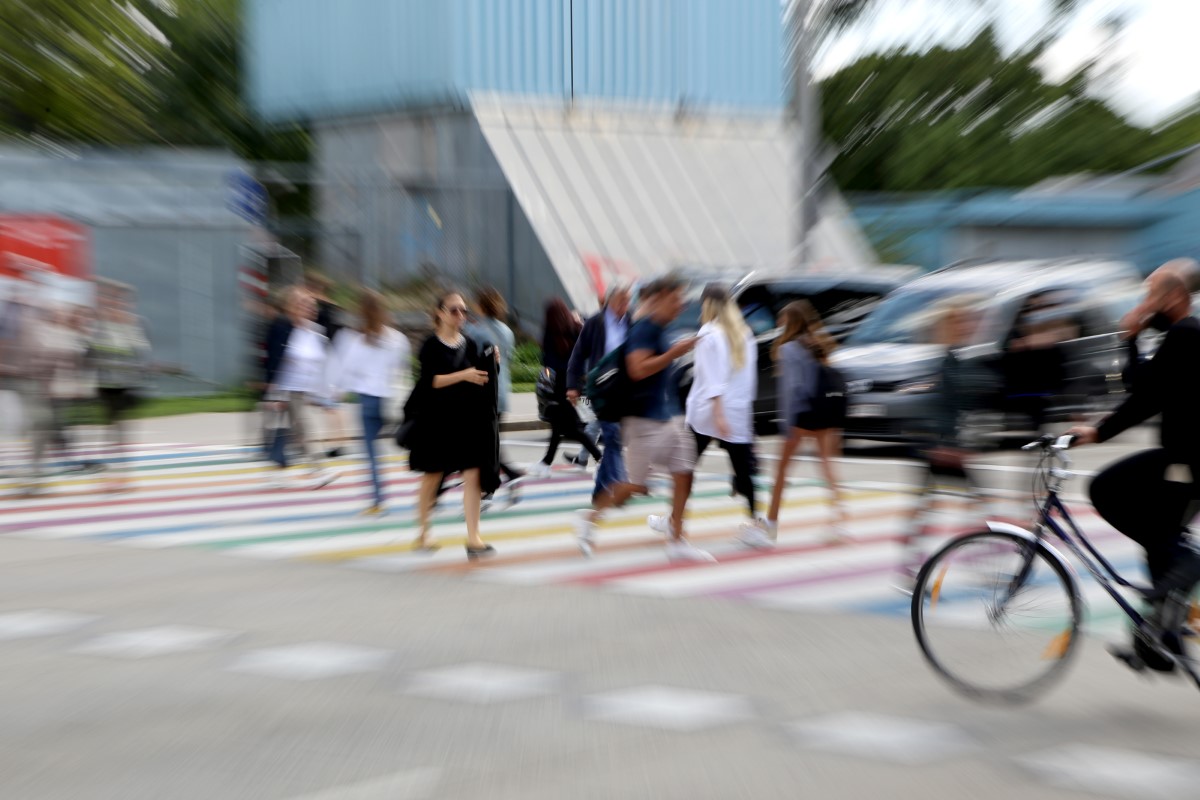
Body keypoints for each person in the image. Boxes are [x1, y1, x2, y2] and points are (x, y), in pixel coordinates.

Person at [1069, 261, 1200, 671]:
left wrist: (1129, 337)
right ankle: (1162, 646)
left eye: (1149, 296)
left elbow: (1143, 392)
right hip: (1185, 459)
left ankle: (1189, 566)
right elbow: (1142, 392)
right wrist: (1098, 433)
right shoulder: (1182, 336)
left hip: (1189, 462)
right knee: (1159, 540)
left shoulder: (1186, 333)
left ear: (1173, 298)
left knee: (1105, 488)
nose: (1143, 305)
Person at [574, 276, 709, 561]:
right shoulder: (644, 330)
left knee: (685, 472)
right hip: (643, 422)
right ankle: (589, 519)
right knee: (635, 487)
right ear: (658, 298)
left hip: (668, 417)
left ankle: (676, 539)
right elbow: (637, 369)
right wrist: (675, 352)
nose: (680, 305)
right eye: (675, 299)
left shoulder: (660, 328)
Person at [899, 301, 991, 585]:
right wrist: (945, 443)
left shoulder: (955, 358)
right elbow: (938, 404)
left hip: (940, 445)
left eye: (971, 321)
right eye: (964, 322)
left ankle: (912, 564)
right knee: (952, 503)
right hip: (938, 448)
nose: (970, 326)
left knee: (936, 503)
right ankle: (914, 565)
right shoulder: (945, 361)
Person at [676, 283, 771, 548]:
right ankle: (757, 526)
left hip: (709, 413)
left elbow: (712, 379)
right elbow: (748, 381)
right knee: (743, 471)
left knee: (685, 467)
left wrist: (718, 413)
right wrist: (741, 415)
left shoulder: (708, 332)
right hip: (737, 412)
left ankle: (674, 521)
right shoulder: (744, 333)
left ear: (706, 304)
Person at [406, 291, 497, 559]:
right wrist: (464, 375)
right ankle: (423, 533)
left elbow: (478, 378)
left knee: (472, 476)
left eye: (464, 310)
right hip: (436, 423)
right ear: (440, 313)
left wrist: (492, 364)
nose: (460, 315)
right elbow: (430, 382)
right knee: (432, 478)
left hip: (465, 422)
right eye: (454, 310)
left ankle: (473, 538)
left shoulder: (468, 344)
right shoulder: (430, 345)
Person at [764, 300, 846, 543]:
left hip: (801, 416)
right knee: (827, 466)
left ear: (790, 322)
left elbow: (793, 389)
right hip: (825, 413)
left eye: (781, 320)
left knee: (781, 472)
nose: (779, 324)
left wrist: (787, 425)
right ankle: (839, 521)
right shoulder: (818, 343)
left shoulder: (788, 348)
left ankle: (771, 524)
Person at [329, 289, 411, 515]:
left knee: (371, 453)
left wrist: (338, 392)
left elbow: (345, 371)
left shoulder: (353, 339)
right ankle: (434, 488)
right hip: (392, 400)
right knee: (412, 443)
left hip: (367, 401)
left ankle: (378, 501)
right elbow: (402, 369)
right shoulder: (397, 339)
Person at [263, 286, 338, 490]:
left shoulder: (314, 332)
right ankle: (318, 470)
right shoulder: (282, 327)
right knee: (305, 429)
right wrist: (273, 393)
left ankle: (276, 473)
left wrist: (325, 389)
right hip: (286, 389)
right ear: (292, 306)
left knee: (287, 432)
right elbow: (271, 360)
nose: (309, 307)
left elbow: (321, 362)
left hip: (304, 391)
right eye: (303, 304)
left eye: (310, 304)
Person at [566, 284, 631, 499]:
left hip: (625, 388)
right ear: (610, 301)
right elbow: (578, 354)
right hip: (602, 389)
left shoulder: (632, 321)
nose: (625, 305)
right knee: (612, 435)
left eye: (628, 300)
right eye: (621, 300)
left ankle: (600, 491)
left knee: (616, 437)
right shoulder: (595, 323)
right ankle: (618, 483)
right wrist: (572, 385)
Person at [88, 281, 152, 493]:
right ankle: (113, 476)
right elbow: (91, 352)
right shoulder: (100, 325)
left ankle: (122, 475)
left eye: (121, 301)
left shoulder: (135, 324)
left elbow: (142, 353)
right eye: (113, 300)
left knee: (121, 431)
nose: (116, 305)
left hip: (126, 385)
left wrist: (129, 331)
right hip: (107, 386)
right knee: (113, 430)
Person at [529, 298, 603, 477]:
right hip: (575, 384)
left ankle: (600, 458)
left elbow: (548, 362)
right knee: (559, 427)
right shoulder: (576, 329)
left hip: (560, 387)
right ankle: (546, 463)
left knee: (571, 428)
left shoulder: (551, 334)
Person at [463, 286, 524, 490]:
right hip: (503, 391)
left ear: (480, 305)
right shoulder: (507, 331)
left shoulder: (473, 331)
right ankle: (508, 475)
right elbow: (509, 358)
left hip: (482, 393)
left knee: (483, 445)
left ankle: (505, 477)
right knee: (490, 442)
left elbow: (467, 361)